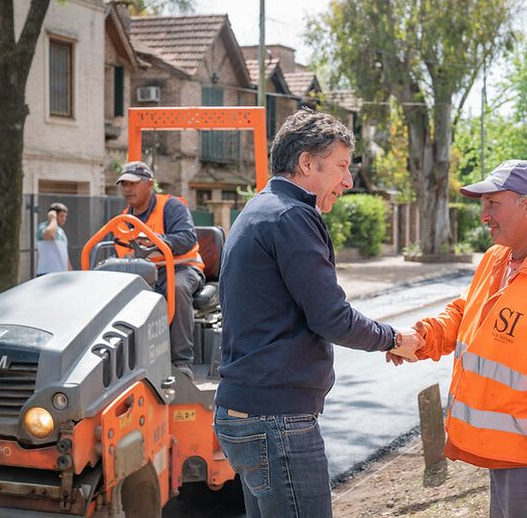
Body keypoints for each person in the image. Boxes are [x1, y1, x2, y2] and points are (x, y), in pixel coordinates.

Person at [213, 109, 423, 518]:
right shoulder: (293, 216)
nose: (348, 181)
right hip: (277, 421)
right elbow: (332, 317)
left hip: (245, 415)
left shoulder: (260, 210)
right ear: (307, 162)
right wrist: (394, 339)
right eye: (342, 167)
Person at [389, 160, 527, 518]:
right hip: (507, 454)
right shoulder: (498, 258)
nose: (483, 215)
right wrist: (423, 337)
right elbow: (466, 313)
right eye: (483, 205)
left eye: (493, 204)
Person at [115, 161, 204, 379]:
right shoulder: (124, 219)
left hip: (182, 268)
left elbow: (186, 238)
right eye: (124, 184)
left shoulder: (171, 206)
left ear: (150, 184)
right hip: (145, 273)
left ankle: (181, 362)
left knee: (177, 288)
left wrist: (156, 241)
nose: (127, 189)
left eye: (133, 184)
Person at [36, 202, 72, 275]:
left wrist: (70, 270)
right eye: (61, 216)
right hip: (46, 273)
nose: (64, 219)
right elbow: (49, 234)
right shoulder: (42, 227)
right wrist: (53, 219)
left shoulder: (61, 231)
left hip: (61, 273)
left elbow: (65, 254)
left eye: (65, 217)